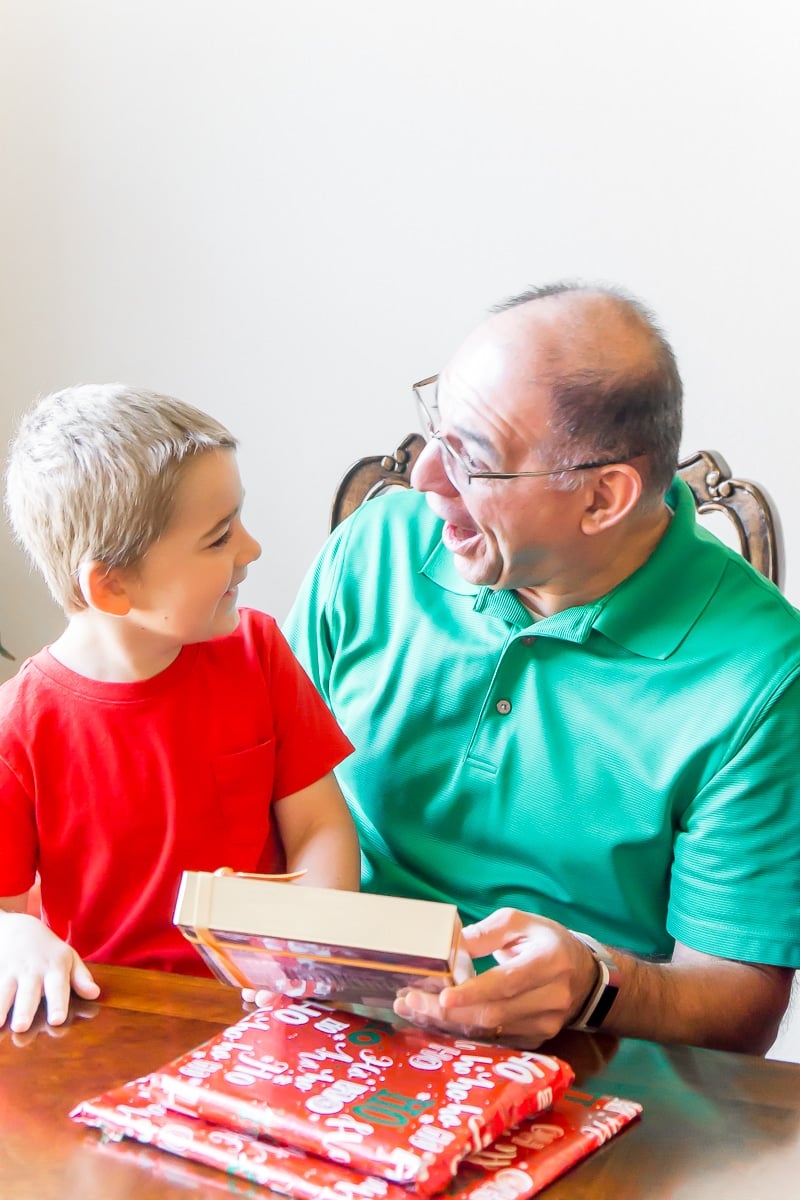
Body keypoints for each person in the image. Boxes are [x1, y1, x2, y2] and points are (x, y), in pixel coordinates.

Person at [285, 282, 800, 1054]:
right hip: (312, 1010)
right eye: (437, 431)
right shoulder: (376, 548)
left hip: (572, 1063)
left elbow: (739, 1008)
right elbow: (251, 785)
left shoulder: (762, 676)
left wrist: (594, 983)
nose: (424, 477)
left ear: (603, 498)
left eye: (473, 459)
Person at [0, 384, 360, 1034]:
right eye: (219, 537)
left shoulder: (258, 650)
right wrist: (12, 938)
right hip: (106, 1025)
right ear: (111, 586)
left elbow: (319, 829)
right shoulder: (18, 728)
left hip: (266, 1010)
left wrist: (310, 954)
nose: (251, 550)